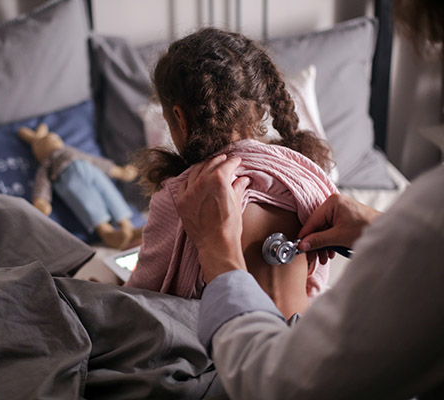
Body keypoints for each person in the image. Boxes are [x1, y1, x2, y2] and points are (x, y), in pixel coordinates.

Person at [175, 1, 444, 397]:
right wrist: (382, 229)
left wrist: (220, 256)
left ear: (178, 119)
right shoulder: (312, 179)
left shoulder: (181, 193)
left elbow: (278, 384)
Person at [124, 27, 338, 318]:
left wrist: (111, 294)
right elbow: (315, 281)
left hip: (226, 341)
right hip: (302, 332)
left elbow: (142, 296)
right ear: (260, 108)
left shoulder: (183, 196)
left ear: (179, 118)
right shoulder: (307, 176)